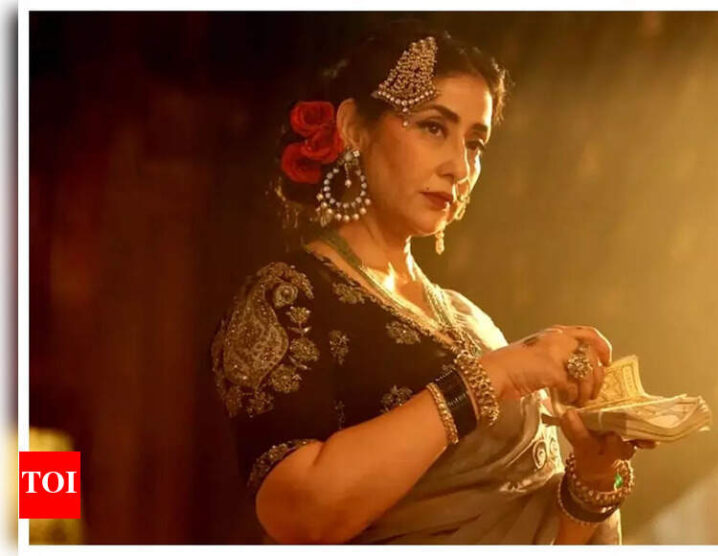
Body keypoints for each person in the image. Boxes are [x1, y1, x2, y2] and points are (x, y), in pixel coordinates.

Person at [210, 19, 655, 544]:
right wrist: (496, 375)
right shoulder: (290, 297)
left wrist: (594, 480)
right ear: (354, 128)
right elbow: (298, 513)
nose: (459, 167)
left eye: (475, 143)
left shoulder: (468, 317)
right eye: (433, 128)